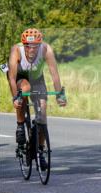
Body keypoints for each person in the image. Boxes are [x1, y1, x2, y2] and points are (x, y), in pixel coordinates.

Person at [7, 28, 67, 167]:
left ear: (39, 45)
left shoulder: (46, 49)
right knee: (25, 90)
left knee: (42, 114)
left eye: (35, 46)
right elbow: (11, 77)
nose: (31, 49)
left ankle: (40, 150)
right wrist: (16, 97)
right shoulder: (17, 50)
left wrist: (60, 95)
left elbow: (54, 74)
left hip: (37, 79)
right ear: (24, 45)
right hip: (20, 78)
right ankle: (20, 125)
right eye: (28, 46)